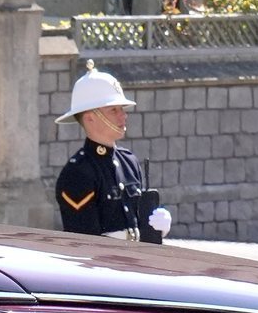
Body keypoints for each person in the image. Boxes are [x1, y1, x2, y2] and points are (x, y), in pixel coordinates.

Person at [55, 59, 171, 242]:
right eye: (113, 110)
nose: (123, 115)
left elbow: (135, 219)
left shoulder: (129, 161)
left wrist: (155, 226)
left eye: (122, 109)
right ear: (90, 118)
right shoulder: (78, 172)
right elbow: (84, 241)